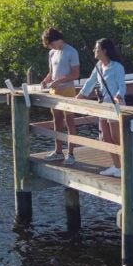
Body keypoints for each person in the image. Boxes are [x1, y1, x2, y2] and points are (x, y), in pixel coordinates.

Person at [76, 38, 126, 177]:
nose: (94, 51)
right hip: (102, 106)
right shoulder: (98, 66)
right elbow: (90, 83)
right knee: (106, 138)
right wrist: (78, 98)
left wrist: (118, 96)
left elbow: (122, 86)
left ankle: (124, 166)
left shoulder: (117, 67)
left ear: (104, 50)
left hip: (115, 107)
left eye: (96, 48)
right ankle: (117, 166)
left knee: (116, 138)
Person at [39, 27, 80, 164]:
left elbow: (75, 74)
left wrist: (59, 81)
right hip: (54, 91)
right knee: (57, 121)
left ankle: (71, 154)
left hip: (67, 90)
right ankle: (58, 152)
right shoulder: (52, 53)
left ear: (57, 40)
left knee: (69, 122)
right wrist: (45, 81)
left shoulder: (71, 51)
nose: (50, 47)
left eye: (51, 44)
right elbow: (51, 73)